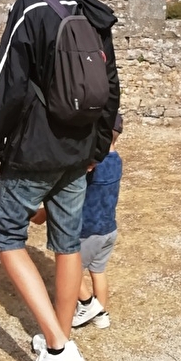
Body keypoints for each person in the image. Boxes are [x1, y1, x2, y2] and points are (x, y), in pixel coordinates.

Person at [0, 0, 120, 361]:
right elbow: (112, 85)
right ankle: (60, 334)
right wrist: (98, 148)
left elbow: (8, 87)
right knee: (66, 241)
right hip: (79, 151)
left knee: (6, 236)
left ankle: (57, 349)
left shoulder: (28, 8)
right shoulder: (90, 8)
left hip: (35, 151)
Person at [34, 114, 124, 330]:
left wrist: (41, 214)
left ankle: (88, 307)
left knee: (70, 272)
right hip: (108, 229)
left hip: (88, 231)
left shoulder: (90, 167)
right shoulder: (116, 160)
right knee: (98, 272)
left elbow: (67, 196)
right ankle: (101, 316)